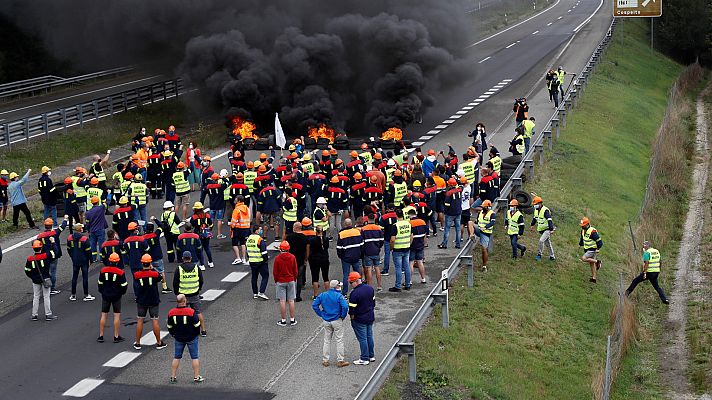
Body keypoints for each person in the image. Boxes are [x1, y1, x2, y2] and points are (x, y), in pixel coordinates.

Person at [167, 294, 205, 383]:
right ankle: (196, 377)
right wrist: (195, 334)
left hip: (178, 338)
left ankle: (173, 377)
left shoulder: (171, 312)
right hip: (191, 338)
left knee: (176, 357)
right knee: (194, 357)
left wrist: (174, 335)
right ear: (185, 301)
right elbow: (197, 325)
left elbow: (169, 326)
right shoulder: (191, 312)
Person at [312, 280, 350, 368]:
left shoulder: (323, 295)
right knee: (339, 340)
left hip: (326, 320)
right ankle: (340, 360)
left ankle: (325, 360)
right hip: (337, 320)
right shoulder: (339, 296)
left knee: (327, 340)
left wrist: (321, 314)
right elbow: (344, 306)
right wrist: (342, 316)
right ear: (336, 287)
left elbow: (314, 305)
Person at [133, 254, 167, 350]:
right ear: (150, 263)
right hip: (153, 300)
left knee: (140, 320)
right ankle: (159, 342)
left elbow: (136, 285)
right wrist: (153, 269)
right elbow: (160, 277)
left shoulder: (137, 275)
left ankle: (138, 343)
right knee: (155, 320)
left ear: (142, 263)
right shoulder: (154, 274)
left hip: (141, 300)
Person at [173, 251, 207, 336]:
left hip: (183, 295)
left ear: (183, 258)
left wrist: (177, 293)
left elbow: (175, 282)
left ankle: (181, 330)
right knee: (198, 312)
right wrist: (198, 289)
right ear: (191, 258)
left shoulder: (179, 268)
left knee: (181, 312)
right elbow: (201, 280)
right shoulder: (196, 267)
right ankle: (203, 330)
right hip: (194, 294)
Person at [97, 253, 128, 343]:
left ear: (109, 261)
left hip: (105, 295)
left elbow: (100, 283)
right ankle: (116, 336)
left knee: (104, 314)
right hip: (116, 296)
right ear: (118, 261)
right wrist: (121, 293)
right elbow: (124, 286)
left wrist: (102, 292)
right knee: (116, 315)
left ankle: (101, 335)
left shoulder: (103, 270)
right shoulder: (120, 272)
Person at [25, 240, 57, 321]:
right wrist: (53, 243)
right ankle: (48, 314)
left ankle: (34, 315)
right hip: (45, 279)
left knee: (36, 296)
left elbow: (27, 270)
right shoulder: (46, 256)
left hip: (35, 280)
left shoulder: (30, 259)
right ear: (41, 247)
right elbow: (55, 253)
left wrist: (33, 277)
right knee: (46, 296)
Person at [348, 272, 376, 365]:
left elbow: (352, 309)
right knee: (369, 336)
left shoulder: (354, 293)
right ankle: (371, 355)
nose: (351, 285)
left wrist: (352, 317)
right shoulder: (370, 288)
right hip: (370, 316)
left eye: (351, 283)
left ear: (356, 281)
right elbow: (373, 303)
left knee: (362, 338)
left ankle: (364, 358)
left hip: (359, 319)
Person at [36, 216, 68, 295]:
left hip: (44, 256)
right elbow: (62, 227)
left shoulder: (40, 236)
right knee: (53, 272)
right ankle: (52, 288)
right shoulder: (55, 233)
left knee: (46, 271)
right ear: (51, 225)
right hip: (54, 256)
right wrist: (65, 219)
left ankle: (45, 286)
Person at [67, 223, 96, 302]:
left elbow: (68, 249)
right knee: (85, 277)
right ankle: (86, 295)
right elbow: (88, 251)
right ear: (81, 230)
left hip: (75, 260)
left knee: (74, 277)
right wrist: (91, 260)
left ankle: (73, 295)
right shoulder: (84, 239)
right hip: (84, 261)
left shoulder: (69, 238)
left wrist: (72, 257)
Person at [273, 241, 298, 326]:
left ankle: (283, 320)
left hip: (281, 281)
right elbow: (295, 270)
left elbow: (275, 271)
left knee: (282, 301)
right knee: (291, 300)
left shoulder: (277, 258)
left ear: (280, 248)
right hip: (290, 280)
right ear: (288, 248)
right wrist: (294, 278)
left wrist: (276, 280)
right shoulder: (292, 257)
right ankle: (292, 319)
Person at [336, 218, 363, 295]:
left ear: (344, 224)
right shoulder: (357, 232)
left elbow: (339, 248)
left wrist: (341, 256)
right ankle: (360, 290)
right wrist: (360, 254)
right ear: (351, 224)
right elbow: (361, 245)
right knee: (358, 274)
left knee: (346, 275)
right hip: (356, 256)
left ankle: (344, 293)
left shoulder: (341, 233)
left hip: (346, 257)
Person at [389, 208, 412, 292]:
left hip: (397, 249)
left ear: (396, 215)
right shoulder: (408, 224)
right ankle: (407, 284)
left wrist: (391, 248)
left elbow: (392, 240)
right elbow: (411, 236)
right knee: (406, 267)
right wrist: (409, 244)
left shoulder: (395, 225)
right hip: (406, 247)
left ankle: (398, 286)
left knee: (398, 268)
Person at [144, 221, 171, 293]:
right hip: (158, 256)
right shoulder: (156, 234)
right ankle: (164, 287)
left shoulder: (144, 238)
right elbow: (161, 226)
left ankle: (151, 287)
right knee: (161, 272)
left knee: (149, 273)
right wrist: (155, 219)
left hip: (149, 258)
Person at [286, 222, 309, 302]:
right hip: (300, 260)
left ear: (295, 228)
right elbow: (307, 249)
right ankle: (298, 296)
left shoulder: (289, 237)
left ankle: (289, 295)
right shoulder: (304, 238)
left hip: (290, 260)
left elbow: (286, 248)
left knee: (290, 278)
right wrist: (306, 259)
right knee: (299, 278)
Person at [246, 225, 270, 300]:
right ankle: (261, 292)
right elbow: (264, 253)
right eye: (260, 229)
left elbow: (247, 251)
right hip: (260, 261)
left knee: (254, 277)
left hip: (252, 261)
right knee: (265, 276)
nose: (261, 231)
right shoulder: (260, 240)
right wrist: (266, 260)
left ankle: (255, 293)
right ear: (256, 231)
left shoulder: (248, 239)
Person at [361, 213, 384, 291]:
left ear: (367, 219)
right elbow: (381, 241)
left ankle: (370, 286)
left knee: (369, 269)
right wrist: (378, 247)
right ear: (374, 219)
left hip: (367, 251)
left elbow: (362, 241)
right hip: (376, 251)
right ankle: (379, 285)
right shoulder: (378, 228)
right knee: (377, 268)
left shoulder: (364, 229)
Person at [307, 225, 330, 298]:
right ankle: (327, 293)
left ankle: (315, 294)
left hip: (315, 259)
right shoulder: (326, 239)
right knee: (326, 277)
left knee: (315, 277)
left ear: (315, 231)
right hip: (325, 259)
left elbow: (310, 249)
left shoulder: (312, 240)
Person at [438, 178, 462, 249]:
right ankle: (458, 244)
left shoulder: (449, 193)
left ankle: (444, 243)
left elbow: (447, 204)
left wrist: (445, 211)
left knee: (447, 229)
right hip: (458, 212)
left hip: (450, 213)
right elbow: (461, 185)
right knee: (458, 229)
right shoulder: (459, 190)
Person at [579, 217, 604, 283]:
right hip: (587, 249)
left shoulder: (592, 232)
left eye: (583, 226)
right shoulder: (582, 231)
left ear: (587, 224)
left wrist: (598, 248)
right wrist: (580, 243)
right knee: (591, 263)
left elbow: (600, 242)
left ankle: (597, 262)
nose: (582, 227)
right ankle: (594, 278)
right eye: (581, 226)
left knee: (583, 258)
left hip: (592, 250)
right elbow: (582, 238)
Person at [531, 196, 555, 261]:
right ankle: (552, 256)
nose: (534, 206)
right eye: (534, 204)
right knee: (547, 243)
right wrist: (532, 225)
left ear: (540, 203)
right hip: (542, 230)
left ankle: (539, 255)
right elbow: (535, 218)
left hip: (547, 229)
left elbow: (549, 220)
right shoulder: (536, 210)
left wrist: (551, 229)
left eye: (535, 204)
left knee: (541, 241)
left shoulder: (545, 210)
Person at [190, 202, 214, 269]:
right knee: (207, 248)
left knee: (200, 250)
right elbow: (211, 224)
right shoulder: (207, 215)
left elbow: (191, 226)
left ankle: (202, 264)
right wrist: (208, 230)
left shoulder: (194, 217)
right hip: (206, 235)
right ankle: (211, 262)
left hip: (198, 235)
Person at [474, 200, 496, 271]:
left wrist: (485, 227)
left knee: (484, 249)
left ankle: (484, 266)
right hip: (479, 230)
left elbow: (492, 222)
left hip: (486, 233)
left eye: (484, 207)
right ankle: (471, 236)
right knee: (470, 223)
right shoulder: (480, 212)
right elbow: (477, 221)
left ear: (488, 207)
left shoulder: (492, 214)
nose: (482, 208)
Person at [85, 196, 108, 263]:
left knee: (93, 244)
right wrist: (108, 194)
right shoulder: (101, 208)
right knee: (101, 244)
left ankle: (93, 258)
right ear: (98, 202)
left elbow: (87, 223)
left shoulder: (88, 213)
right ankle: (102, 258)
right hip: (100, 229)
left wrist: (88, 230)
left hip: (92, 230)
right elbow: (107, 202)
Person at [229, 195, 251, 265]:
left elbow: (234, 221)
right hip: (246, 228)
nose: (234, 200)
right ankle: (244, 258)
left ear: (238, 201)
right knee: (243, 243)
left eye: (235, 199)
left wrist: (232, 227)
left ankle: (238, 258)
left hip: (237, 228)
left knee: (234, 244)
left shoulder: (237, 209)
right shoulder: (247, 208)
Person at [408, 210, 428, 284]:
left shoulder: (410, 223)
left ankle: (409, 281)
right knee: (420, 262)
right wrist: (425, 243)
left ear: (409, 215)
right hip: (420, 244)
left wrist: (409, 245)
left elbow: (411, 236)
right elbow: (425, 234)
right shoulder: (422, 221)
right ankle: (423, 278)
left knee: (411, 263)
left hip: (413, 245)